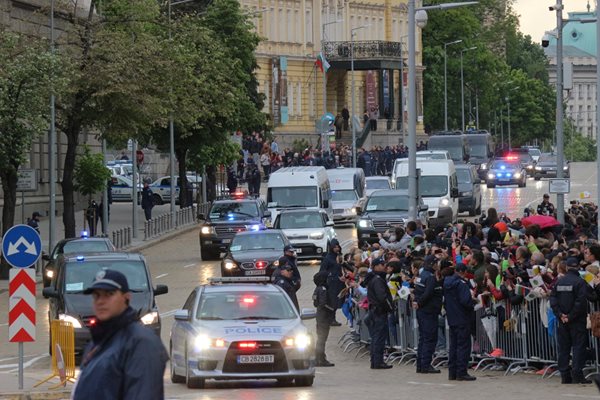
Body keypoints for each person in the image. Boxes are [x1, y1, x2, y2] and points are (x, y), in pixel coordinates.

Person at [72, 269, 168, 399]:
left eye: (109, 294)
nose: (100, 301)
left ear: (126, 297)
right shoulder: (97, 343)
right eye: (96, 295)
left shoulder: (141, 343)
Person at [550, 257, 591, 384]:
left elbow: (553, 300)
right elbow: (580, 302)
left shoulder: (559, 282)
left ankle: (565, 375)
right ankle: (577, 374)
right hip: (577, 320)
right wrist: (570, 316)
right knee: (578, 347)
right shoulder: (580, 282)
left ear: (567, 267)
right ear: (578, 267)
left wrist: (560, 315)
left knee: (564, 348)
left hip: (563, 321)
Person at [443, 263, 476, 381]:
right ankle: (461, 372)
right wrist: (473, 302)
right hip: (462, 317)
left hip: (452, 317)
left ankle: (452, 372)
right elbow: (465, 301)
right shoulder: (461, 284)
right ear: (463, 271)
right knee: (463, 346)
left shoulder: (447, 282)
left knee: (454, 346)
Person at [414, 255, 443, 374]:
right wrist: (420, 303)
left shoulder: (422, 275)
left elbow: (419, 291)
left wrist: (418, 303)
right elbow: (428, 293)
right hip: (429, 311)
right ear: (432, 264)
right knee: (430, 338)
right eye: (436, 263)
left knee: (423, 338)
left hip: (422, 311)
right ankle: (426, 365)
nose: (438, 265)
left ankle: (420, 365)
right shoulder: (430, 277)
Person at [363, 257, 393, 369]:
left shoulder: (375, 278)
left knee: (376, 337)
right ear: (375, 266)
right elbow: (382, 297)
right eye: (380, 264)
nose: (383, 266)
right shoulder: (377, 280)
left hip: (375, 311)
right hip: (379, 312)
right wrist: (389, 307)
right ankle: (378, 361)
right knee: (379, 337)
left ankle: (376, 361)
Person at [319, 239, 344, 326]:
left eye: (338, 247)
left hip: (338, 282)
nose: (337, 249)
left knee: (336, 301)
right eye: (335, 247)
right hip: (331, 283)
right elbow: (322, 271)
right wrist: (330, 275)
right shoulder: (327, 259)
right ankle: (331, 319)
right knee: (332, 301)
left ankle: (332, 318)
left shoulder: (337, 257)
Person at [312, 271, 335, 367]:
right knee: (322, 339)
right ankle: (320, 359)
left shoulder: (317, 289)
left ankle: (319, 357)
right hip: (324, 317)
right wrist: (332, 309)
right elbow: (323, 303)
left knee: (320, 338)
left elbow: (315, 302)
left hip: (320, 316)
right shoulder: (323, 289)